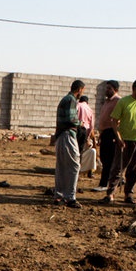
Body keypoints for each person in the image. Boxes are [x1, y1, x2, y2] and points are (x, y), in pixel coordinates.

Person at [53, 80, 85, 208]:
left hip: (61, 136)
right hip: (67, 135)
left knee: (62, 166)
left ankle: (59, 195)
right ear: (79, 89)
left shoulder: (65, 99)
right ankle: (70, 197)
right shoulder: (71, 100)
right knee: (74, 165)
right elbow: (72, 119)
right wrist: (80, 123)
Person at [93, 80, 121, 190]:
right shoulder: (107, 102)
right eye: (106, 88)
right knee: (104, 159)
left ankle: (105, 184)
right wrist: (100, 134)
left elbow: (118, 119)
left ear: (116, 90)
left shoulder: (118, 101)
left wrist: (117, 135)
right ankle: (108, 182)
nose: (107, 90)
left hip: (112, 133)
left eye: (109, 88)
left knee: (110, 159)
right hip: (105, 133)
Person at [76, 94, 96, 179]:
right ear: (87, 102)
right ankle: (88, 171)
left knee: (75, 150)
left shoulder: (77, 105)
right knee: (80, 151)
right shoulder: (89, 109)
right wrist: (87, 137)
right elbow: (91, 126)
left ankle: (74, 169)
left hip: (76, 130)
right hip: (84, 132)